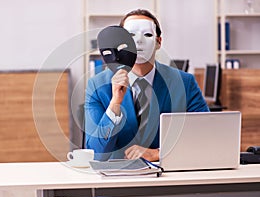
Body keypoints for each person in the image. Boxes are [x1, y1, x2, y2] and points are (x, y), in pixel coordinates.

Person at [84, 9, 209, 161]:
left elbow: (205, 137)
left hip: (168, 176)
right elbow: (94, 152)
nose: (139, 41)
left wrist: (158, 153)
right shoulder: (97, 86)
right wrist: (115, 103)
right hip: (117, 178)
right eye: (131, 36)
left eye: (148, 35)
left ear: (159, 42)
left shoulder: (185, 82)